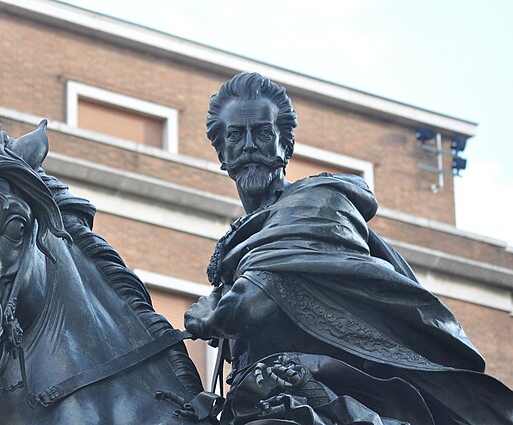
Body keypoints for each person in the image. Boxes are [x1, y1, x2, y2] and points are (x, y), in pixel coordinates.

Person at [184, 72, 513, 425]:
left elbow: (244, 308)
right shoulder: (240, 241)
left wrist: (207, 313)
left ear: (285, 146)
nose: (249, 146)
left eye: (263, 133)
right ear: (221, 151)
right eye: (236, 135)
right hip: (258, 396)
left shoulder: (316, 205)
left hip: (333, 394)